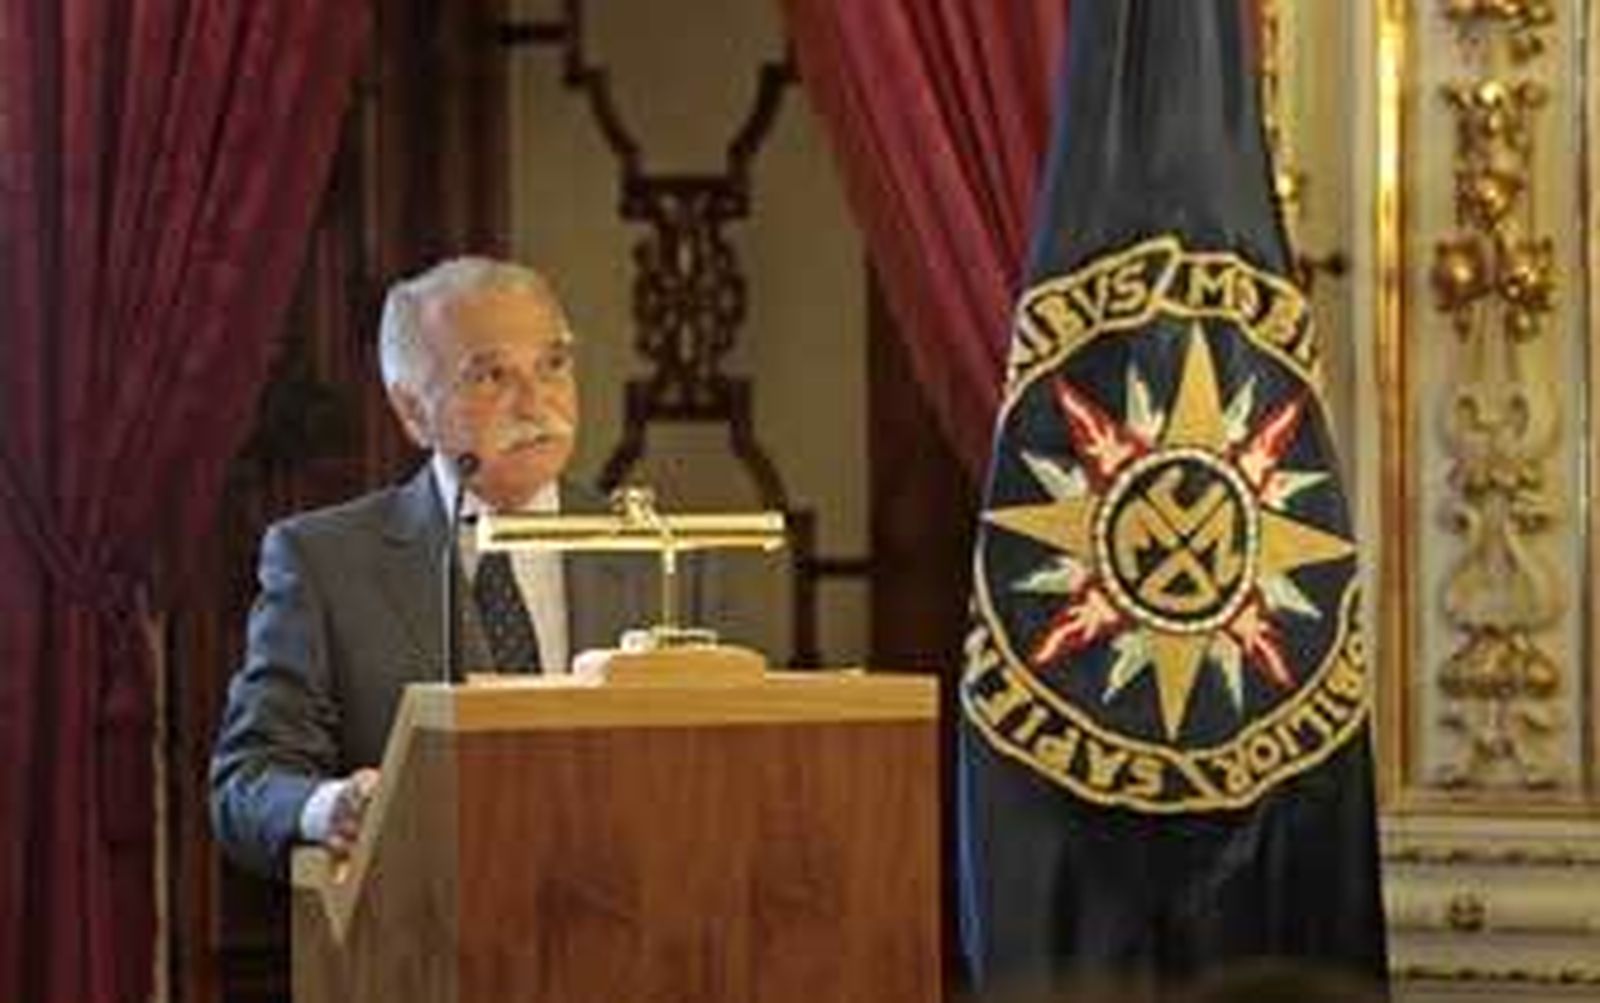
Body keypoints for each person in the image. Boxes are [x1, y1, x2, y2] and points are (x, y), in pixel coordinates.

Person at [210, 257, 662, 879]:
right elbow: (248, 785)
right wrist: (332, 808)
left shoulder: (660, 552)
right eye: (491, 375)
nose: (536, 403)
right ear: (412, 411)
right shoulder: (324, 562)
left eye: (553, 364)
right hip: (423, 935)